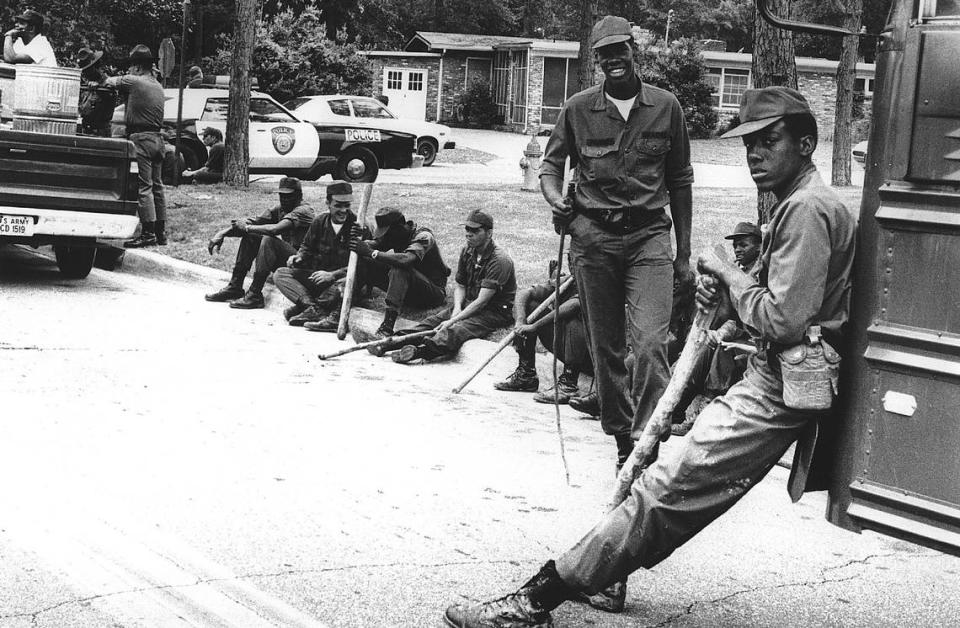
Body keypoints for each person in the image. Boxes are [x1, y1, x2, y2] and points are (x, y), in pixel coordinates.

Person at [441, 86, 857, 628]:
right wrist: (731, 293)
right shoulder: (800, 203)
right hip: (774, 375)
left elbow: (782, 320)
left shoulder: (805, 208)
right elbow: (783, 300)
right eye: (748, 144)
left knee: (665, 488)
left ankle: (537, 599)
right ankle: (598, 574)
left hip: (780, 387)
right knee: (664, 485)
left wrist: (726, 273)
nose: (755, 153)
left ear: (806, 144)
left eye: (768, 141)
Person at [541, 15, 695, 479]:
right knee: (605, 347)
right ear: (596, 62)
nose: (613, 61)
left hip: (649, 235)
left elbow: (681, 180)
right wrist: (556, 200)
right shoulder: (578, 108)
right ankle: (622, 439)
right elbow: (551, 166)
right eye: (603, 55)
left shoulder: (667, 107)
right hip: (593, 238)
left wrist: (683, 254)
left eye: (619, 51)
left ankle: (648, 438)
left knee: (650, 342)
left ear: (634, 51)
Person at [385, 209, 515, 364]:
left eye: (475, 230)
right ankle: (392, 343)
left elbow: (482, 301)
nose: (468, 234)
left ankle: (421, 352)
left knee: (457, 329)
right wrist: (457, 308)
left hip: (493, 311)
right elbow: (460, 285)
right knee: (431, 322)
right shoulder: (467, 251)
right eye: (467, 229)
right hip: (469, 303)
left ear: (489, 233)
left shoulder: (500, 260)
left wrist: (454, 320)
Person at [670, 221, 762, 436]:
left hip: (754, 338)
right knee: (703, 351)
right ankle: (675, 413)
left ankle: (702, 418)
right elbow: (726, 314)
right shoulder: (734, 270)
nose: (738, 249)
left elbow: (747, 317)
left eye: (744, 245)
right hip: (735, 332)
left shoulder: (760, 273)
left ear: (758, 247)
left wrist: (723, 333)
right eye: (735, 245)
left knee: (723, 350)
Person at [204, 177, 315, 309]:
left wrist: (246, 228)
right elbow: (253, 222)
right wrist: (223, 233)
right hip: (288, 261)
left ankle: (255, 294)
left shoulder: (304, 211)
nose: (284, 199)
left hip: (304, 264)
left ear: (299, 196)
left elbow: (274, 229)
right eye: (282, 195)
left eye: (289, 196)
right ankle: (235, 286)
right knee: (252, 235)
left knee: (268, 239)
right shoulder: (281, 209)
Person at [272, 181, 370, 328]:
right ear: (327, 203)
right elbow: (306, 247)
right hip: (318, 278)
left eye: (347, 205)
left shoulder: (359, 226)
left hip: (341, 281)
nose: (343, 210)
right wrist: (299, 257)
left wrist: (333, 275)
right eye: (338, 205)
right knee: (281, 274)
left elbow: (363, 265)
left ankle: (322, 312)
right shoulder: (320, 221)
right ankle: (313, 308)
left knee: (341, 287)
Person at [493, 262, 593, 404]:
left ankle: (568, 385)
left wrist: (535, 326)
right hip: (567, 347)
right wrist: (520, 321)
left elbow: (574, 305)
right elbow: (524, 293)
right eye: (570, 260)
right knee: (531, 305)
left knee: (574, 317)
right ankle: (526, 375)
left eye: (577, 259)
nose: (572, 265)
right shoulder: (569, 281)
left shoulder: (598, 282)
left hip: (593, 358)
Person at [348, 206, 450, 339]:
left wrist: (371, 252)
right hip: (407, 291)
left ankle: (387, 327)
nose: (386, 236)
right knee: (365, 258)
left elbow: (406, 260)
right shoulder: (395, 234)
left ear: (400, 225)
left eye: (388, 232)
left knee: (399, 268)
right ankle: (349, 301)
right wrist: (359, 241)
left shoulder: (424, 236)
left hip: (431, 294)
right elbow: (374, 244)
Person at [104, 45, 166, 247]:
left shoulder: (135, 81)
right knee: (157, 186)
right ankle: (160, 232)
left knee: (144, 186)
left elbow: (109, 82)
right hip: (158, 138)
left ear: (138, 67)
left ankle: (147, 234)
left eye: (131, 67)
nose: (129, 70)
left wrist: (114, 78)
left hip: (141, 138)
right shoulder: (157, 85)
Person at [77, 48, 115, 137]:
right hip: (86, 130)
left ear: (95, 67)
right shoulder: (86, 84)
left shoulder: (108, 83)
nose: (85, 73)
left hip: (100, 132)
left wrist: (98, 88)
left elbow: (110, 99)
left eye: (87, 70)